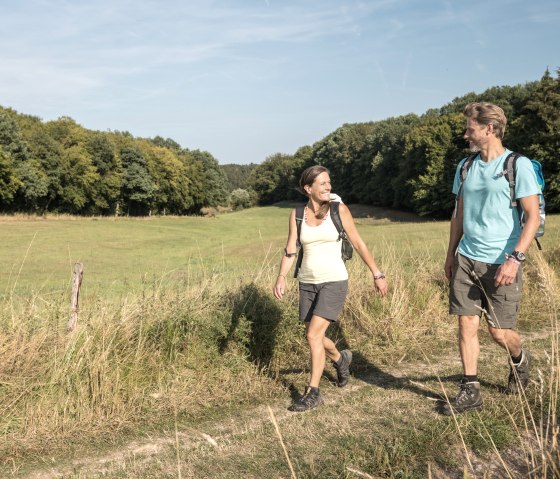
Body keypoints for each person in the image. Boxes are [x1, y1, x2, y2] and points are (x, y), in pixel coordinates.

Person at [443, 102, 541, 415]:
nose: (465, 134)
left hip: (503, 260)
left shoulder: (518, 165)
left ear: (489, 129)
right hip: (467, 258)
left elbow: (533, 216)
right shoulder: (465, 166)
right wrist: (450, 256)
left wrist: (515, 259)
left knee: (498, 332)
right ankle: (470, 389)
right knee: (466, 325)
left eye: (470, 128)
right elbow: (458, 215)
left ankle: (519, 358)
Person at [273, 165, 388, 412]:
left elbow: (358, 242)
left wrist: (377, 273)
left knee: (313, 335)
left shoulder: (339, 210)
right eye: (322, 183)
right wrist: (281, 277)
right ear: (308, 188)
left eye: (329, 182)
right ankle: (340, 358)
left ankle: (312, 392)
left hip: (334, 280)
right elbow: (290, 249)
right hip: (307, 282)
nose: (328, 187)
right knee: (314, 334)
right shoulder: (297, 214)